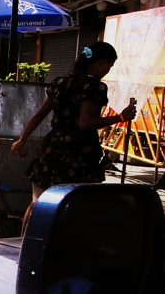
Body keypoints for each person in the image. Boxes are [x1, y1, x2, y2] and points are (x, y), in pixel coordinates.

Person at [9, 41, 137, 230]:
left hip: (52, 148)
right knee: (76, 203)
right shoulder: (94, 88)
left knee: (39, 201)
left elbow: (38, 115)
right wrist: (120, 117)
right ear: (101, 62)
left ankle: (23, 243)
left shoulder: (60, 83)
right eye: (109, 65)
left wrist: (22, 139)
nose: (108, 70)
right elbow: (85, 123)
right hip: (77, 153)